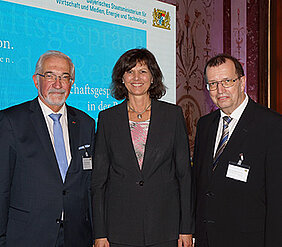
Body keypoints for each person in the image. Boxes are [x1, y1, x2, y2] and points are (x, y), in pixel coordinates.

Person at [91, 48, 194, 247]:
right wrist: (100, 232)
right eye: (130, 71)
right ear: (122, 78)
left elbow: (184, 176)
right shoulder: (107, 119)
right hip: (119, 230)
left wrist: (186, 228)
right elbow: (98, 181)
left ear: (153, 77)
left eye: (143, 71)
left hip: (165, 227)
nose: (136, 77)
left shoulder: (172, 115)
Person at [0, 50, 95, 247]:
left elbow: (89, 184)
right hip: (27, 235)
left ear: (72, 83)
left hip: (76, 236)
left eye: (64, 77)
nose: (58, 84)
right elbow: (2, 186)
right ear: (36, 80)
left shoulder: (86, 123)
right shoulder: (11, 121)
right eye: (50, 76)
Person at [193, 54, 282, 247]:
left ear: (242, 82)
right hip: (207, 239)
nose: (220, 90)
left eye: (227, 81)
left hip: (249, 239)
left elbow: (277, 200)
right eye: (213, 84)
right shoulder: (205, 125)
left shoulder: (272, 125)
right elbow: (201, 185)